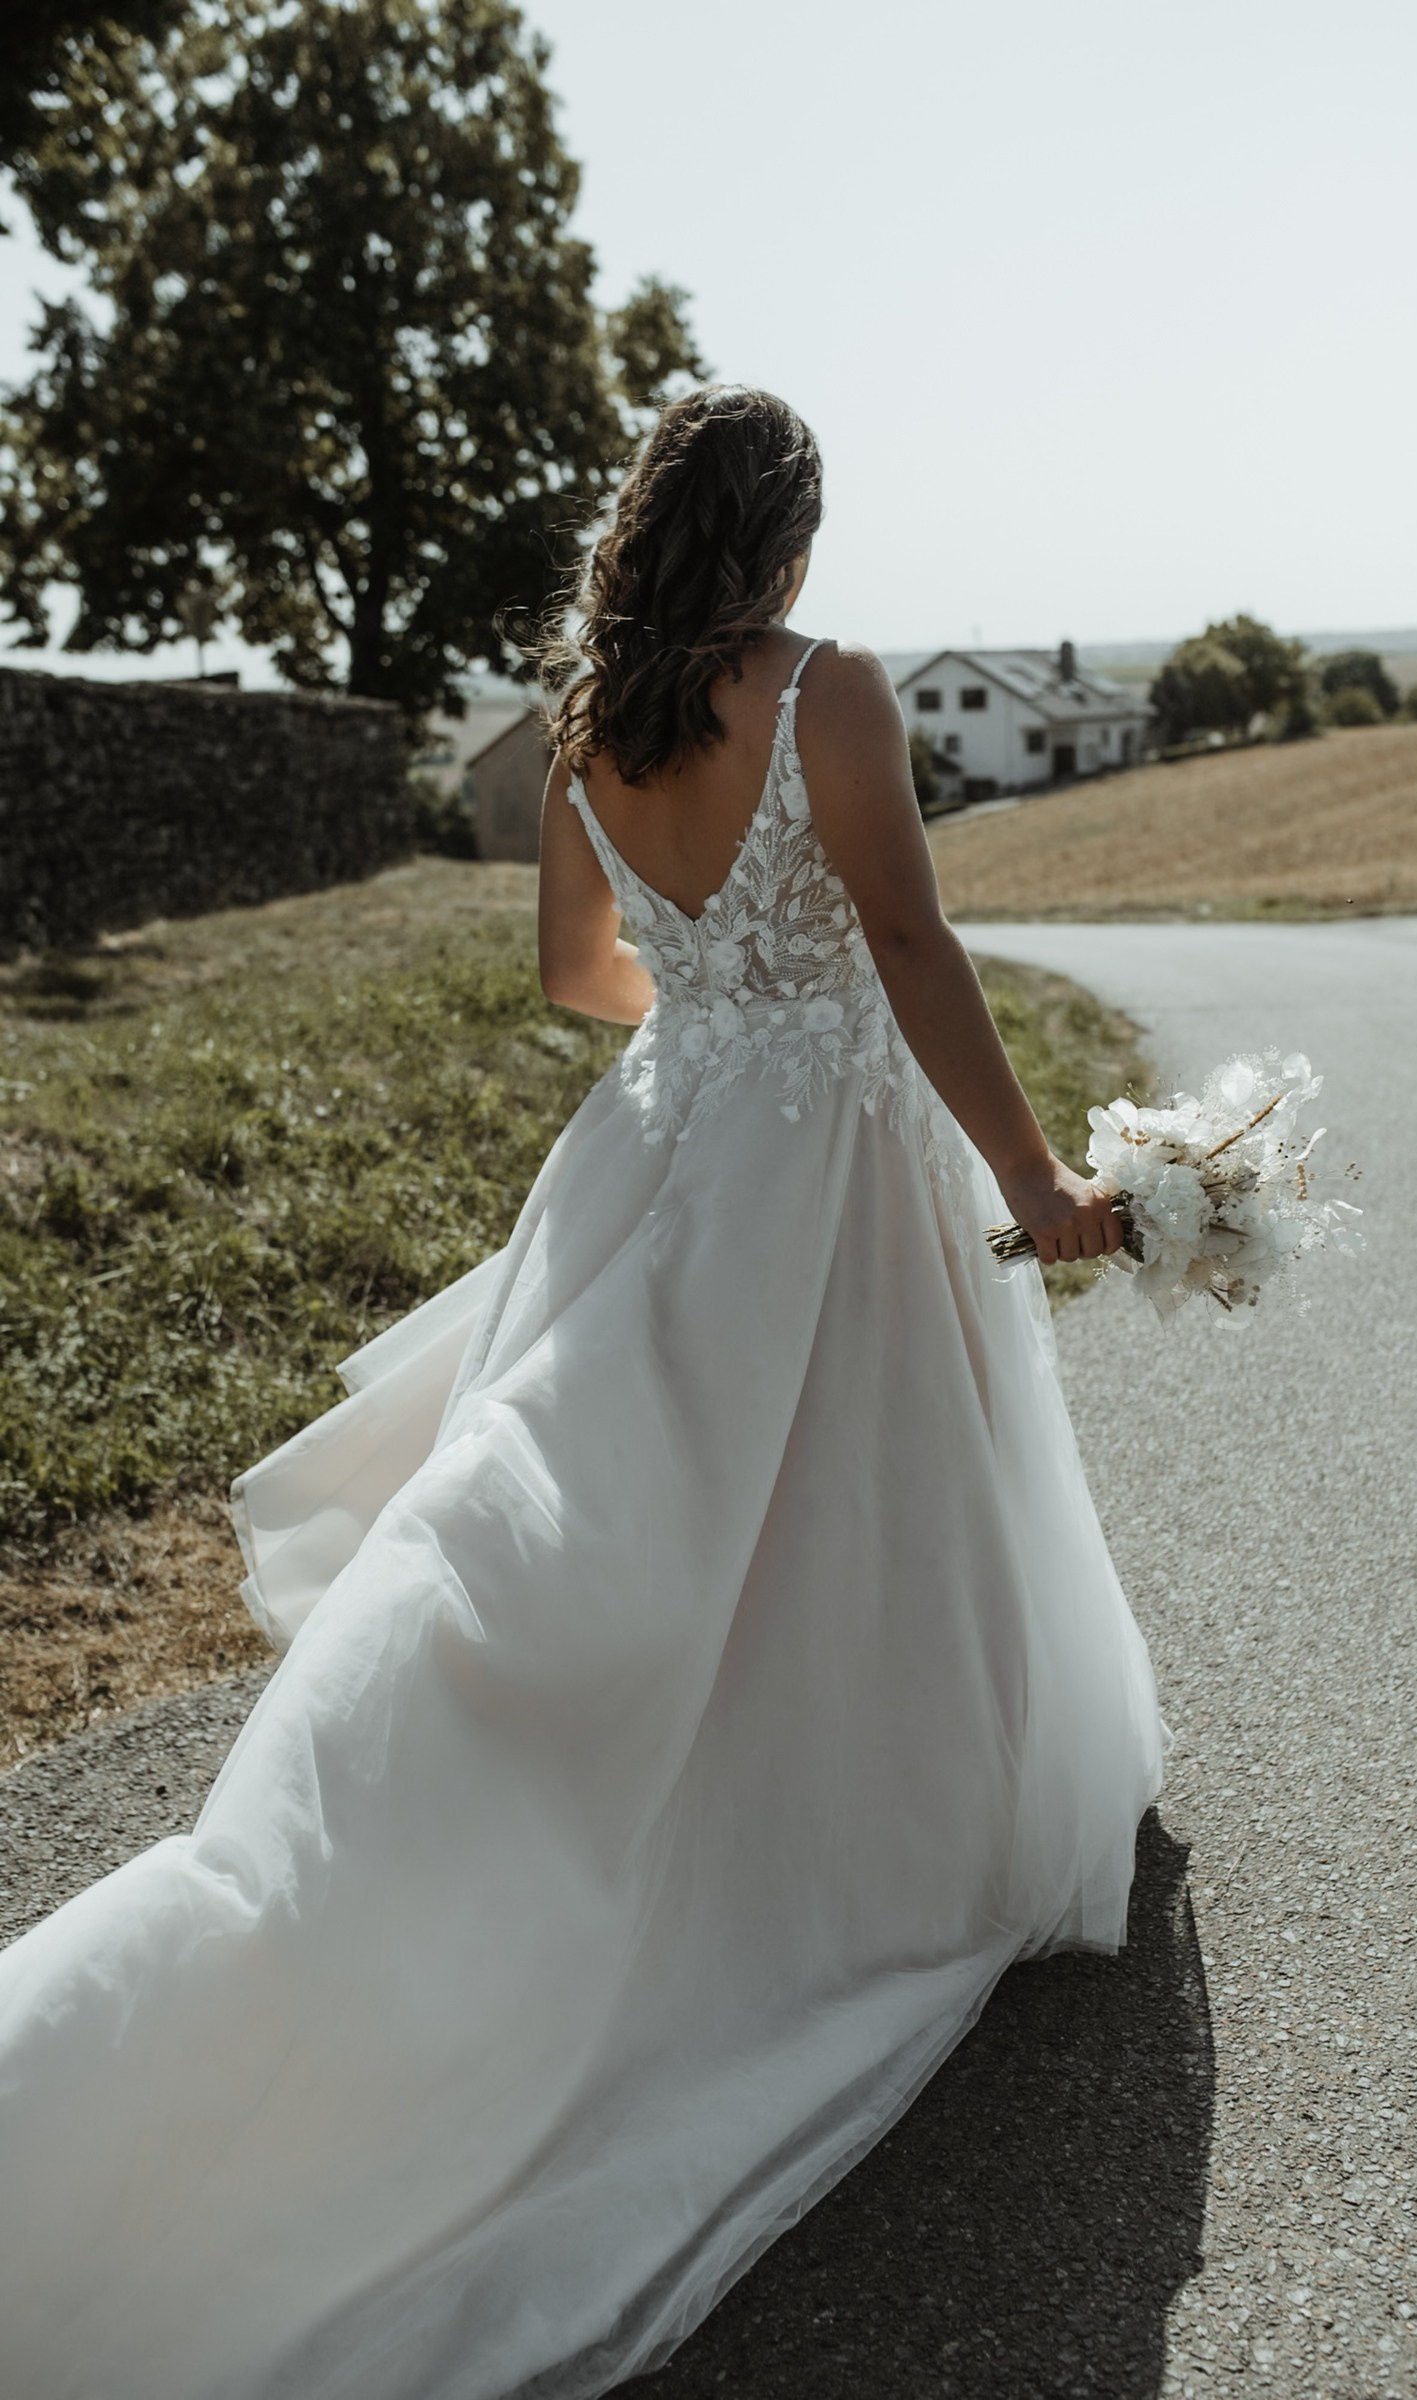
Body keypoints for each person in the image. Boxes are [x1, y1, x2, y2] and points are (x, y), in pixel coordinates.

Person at [0, 384, 1167, 2400]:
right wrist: (1033, 1178)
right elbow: (904, 935)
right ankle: (855, 1842)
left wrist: (712, 1002)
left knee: (639, 1499)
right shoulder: (830, 690)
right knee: (862, 1499)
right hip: (829, 1161)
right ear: (785, 539)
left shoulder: (584, 719)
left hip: (667, 1147)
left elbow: (574, 972)